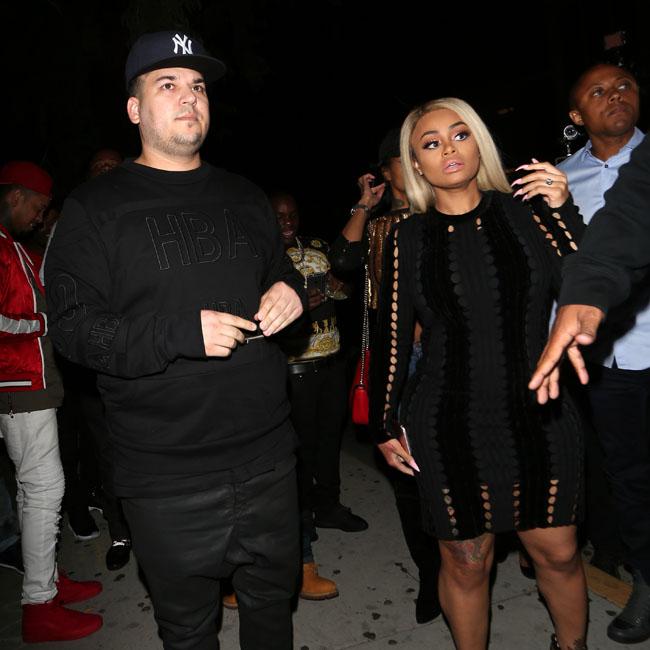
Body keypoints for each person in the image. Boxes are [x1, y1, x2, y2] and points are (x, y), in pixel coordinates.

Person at [44, 31, 305, 650]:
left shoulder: (244, 195)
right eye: (168, 84)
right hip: (167, 477)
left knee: (273, 613)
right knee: (189, 632)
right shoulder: (94, 208)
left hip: (269, 459)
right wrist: (180, 333)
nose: (189, 97)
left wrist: (290, 290)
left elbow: (281, 272)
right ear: (134, 109)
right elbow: (74, 330)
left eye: (198, 86)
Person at [371, 98, 588, 650]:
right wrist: (384, 423)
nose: (448, 147)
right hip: (449, 420)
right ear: (416, 164)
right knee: (467, 561)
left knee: (558, 552)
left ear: (480, 144)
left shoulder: (528, 211)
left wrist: (564, 210)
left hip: (540, 409)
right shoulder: (406, 238)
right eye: (431, 142)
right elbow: (392, 335)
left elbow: (587, 284)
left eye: (460, 134)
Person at [532, 136, 650, 648]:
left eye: (623, 92)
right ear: (576, 114)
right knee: (629, 476)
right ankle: (646, 579)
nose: (615, 99)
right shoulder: (560, 175)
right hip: (605, 359)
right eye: (597, 96)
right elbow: (588, 254)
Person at [330, 128, 441, 624]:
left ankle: (460, 565)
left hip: (443, 359)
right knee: (407, 478)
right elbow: (342, 260)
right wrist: (364, 203)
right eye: (402, 155)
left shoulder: (442, 211)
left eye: (418, 152)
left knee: (452, 468)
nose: (415, 161)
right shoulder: (378, 226)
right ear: (385, 170)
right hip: (395, 364)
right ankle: (430, 574)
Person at [0, 160, 102, 643]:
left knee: (31, 489)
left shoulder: (13, 247)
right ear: (15, 196)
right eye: (38, 207)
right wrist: (45, 325)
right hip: (18, 383)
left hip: (30, 381)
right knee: (44, 488)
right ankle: (39, 605)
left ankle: (48, 582)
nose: (40, 218)